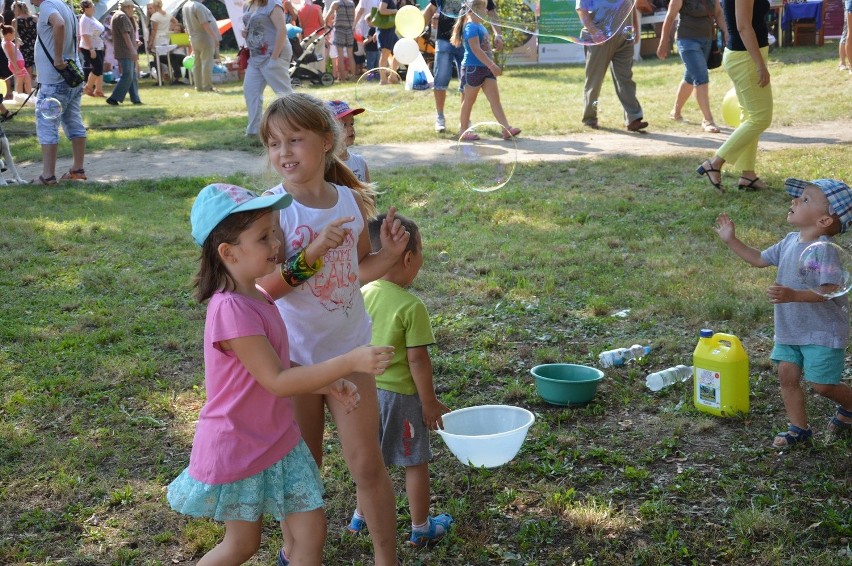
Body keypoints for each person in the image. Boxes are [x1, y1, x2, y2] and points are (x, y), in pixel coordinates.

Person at [168, 182, 396, 565]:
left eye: (275, 230)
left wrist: (326, 381)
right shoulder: (231, 310)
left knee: (311, 532)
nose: (277, 242)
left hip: (275, 439)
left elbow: (278, 365)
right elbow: (275, 381)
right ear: (228, 252)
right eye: (263, 236)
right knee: (242, 544)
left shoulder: (258, 296)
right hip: (240, 442)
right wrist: (348, 362)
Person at [254, 92, 410, 566]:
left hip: (350, 353)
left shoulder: (348, 198)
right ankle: (295, 554)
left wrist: (389, 254)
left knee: (367, 463)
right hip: (295, 362)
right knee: (305, 471)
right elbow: (264, 290)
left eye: (295, 140)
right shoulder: (270, 210)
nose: (284, 152)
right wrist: (313, 253)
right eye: (274, 143)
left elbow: (356, 270)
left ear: (327, 142)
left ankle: (388, 558)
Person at [713, 178, 852, 447]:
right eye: (798, 197)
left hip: (822, 332)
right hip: (790, 328)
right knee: (787, 377)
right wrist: (731, 240)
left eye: (805, 200)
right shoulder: (789, 241)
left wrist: (793, 295)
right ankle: (798, 429)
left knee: (822, 385)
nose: (794, 201)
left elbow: (828, 291)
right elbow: (758, 259)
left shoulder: (826, 253)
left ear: (824, 221)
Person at [346, 213, 454, 547]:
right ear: (408, 258)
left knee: (369, 460)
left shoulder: (362, 292)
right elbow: (417, 359)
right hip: (402, 399)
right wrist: (429, 402)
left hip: (365, 393)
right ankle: (421, 528)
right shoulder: (411, 305)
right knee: (415, 462)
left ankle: (359, 518)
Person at [696, 0, 771, 192]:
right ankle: (714, 163)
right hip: (746, 58)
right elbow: (744, 27)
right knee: (760, 118)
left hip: (744, 55)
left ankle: (748, 175)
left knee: (750, 117)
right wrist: (760, 64)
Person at [423, 0, 502, 133]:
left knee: (466, 83)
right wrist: (416, 31)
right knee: (440, 79)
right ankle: (440, 117)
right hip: (443, 40)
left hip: (466, 42)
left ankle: (464, 123)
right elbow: (431, 9)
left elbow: (491, 11)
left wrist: (498, 34)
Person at [30, 0, 86, 185]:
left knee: (47, 125)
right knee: (73, 120)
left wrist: (58, 58)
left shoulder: (47, 6)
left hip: (54, 80)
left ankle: (48, 176)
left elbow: (59, 24)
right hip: (72, 76)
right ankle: (77, 169)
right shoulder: (64, 5)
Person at [450, 0, 519, 141]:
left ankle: (506, 129)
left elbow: (483, 47)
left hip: (485, 68)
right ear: (475, 10)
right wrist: (492, 65)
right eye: (484, 9)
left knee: (495, 100)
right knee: (469, 100)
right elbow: (476, 50)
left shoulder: (480, 26)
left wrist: (491, 52)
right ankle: (463, 130)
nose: (486, 12)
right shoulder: (470, 27)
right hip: (473, 69)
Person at [657, 0, 727, 133]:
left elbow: (718, 13)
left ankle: (675, 112)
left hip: (707, 40)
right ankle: (708, 120)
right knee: (701, 76)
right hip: (687, 40)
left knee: (690, 77)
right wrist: (663, 42)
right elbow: (670, 16)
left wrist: (726, 31)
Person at [576, 1, 646, 132]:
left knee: (625, 79)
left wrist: (635, 28)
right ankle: (589, 119)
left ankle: (633, 118)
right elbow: (581, 9)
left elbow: (631, 5)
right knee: (594, 81)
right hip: (599, 38)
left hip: (624, 37)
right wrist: (594, 32)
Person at [242, 0, 294, 141]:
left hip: (273, 54)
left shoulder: (272, 3)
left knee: (284, 94)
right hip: (255, 57)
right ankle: (253, 131)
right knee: (250, 91)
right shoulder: (248, 5)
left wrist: (274, 58)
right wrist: (246, 33)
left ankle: (296, 125)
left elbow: (282, 30)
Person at [105, 0, 141, 106]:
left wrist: (134, 44)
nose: (133, 10)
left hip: (125, 51)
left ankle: (135, 98)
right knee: (128, 75)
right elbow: (125, 34)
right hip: (125, 52)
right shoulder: (122, 16)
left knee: (132, 75)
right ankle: (113, 98)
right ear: (128, 7)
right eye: (132, 8)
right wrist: (132, 50)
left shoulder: (118, 15)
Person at [326, 99, 370, 183]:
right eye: (344, 125)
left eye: (352, 123)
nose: (351, 129)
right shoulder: (325, 168)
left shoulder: (360, 162)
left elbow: (369, 195)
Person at [182, 0, 221, 92]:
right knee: (207, 62)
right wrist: (214, 37)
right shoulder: (198, 6)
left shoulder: (185, 6)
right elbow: (205, 24)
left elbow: (185, 26)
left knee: (197, 63)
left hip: (194, 37)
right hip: (204, 37)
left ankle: (198, 86)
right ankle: (207, 86)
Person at [148, 0, 183, 85]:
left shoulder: (155, 16)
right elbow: (175, 22)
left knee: (157, 59)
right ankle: (169, 76)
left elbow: (154, 30)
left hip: (158, 38)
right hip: (166, 37)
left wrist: (151, 42)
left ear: (154, 6)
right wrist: (170, 30)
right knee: (167, 57)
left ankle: (160, 79)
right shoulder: (167, 14)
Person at [324, 0, 355, 82]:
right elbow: (353, 18)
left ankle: (343, 79)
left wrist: (326, 25)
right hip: (349, 30)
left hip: (339, 30)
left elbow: (327, 17)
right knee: (350, 55)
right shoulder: (352, 4)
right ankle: (353, 78)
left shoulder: (336, 3)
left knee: (340, 56)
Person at [78, 0, 105, 97]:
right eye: (92, 6)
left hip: (98, 46)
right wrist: (91, 49)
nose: (94, 8)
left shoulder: (92, 18)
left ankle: (99, 90)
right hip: (89, 47)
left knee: (100, 68)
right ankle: (88, 87)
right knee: (97, 68)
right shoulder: (85, 19)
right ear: (86, 8)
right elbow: (85, 35)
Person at [374, 0, 398, 84]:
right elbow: (382, 10)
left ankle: (393, 76)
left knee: (398, 52)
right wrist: (394, 11)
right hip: (385, 30)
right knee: (385, 54)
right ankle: (383, 79)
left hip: (390, 30)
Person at [298, 0, 325, 73]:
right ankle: (320, 73)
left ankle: (311, 73)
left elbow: (301, 25)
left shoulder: (300, 10)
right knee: (319, 55)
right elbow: (322, 23)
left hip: (307, 36)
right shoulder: (317, 8)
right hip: (318, 34)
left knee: (310, 55)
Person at [2, 23, 30, 94]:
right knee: (20, 82)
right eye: (13, 34)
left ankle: (29, 96)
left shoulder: (8, 42)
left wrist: (17, 45)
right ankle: (19, 97)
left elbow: (15, 52)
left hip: (18, 64)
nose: (14, 36)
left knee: (27, 79)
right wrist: (16, 67)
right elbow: (11, 56)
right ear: (8, 34)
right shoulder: (7, 43)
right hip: (16, 64)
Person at [13, 2, 37, 81]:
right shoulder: (35, 18)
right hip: (36, 45)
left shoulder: (15, 21)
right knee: (38, 64)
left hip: (24, 47)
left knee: (27, 67)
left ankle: (29, 86)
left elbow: (15, 37)